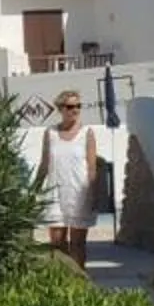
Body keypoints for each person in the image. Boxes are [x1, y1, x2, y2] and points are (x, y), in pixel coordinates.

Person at [34, 91, 99, 267]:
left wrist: (93, 193)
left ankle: (80, 283)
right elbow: (44, 164)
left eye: (78, 106)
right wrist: (34, 190)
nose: (75, 110)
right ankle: (61, 281)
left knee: (78, 243)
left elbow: (92, 168)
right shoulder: (51, 133)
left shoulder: (87, 133)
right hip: (55, 193)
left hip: (79, 193)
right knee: (56, 242)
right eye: (71, 106)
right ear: (61, 109)